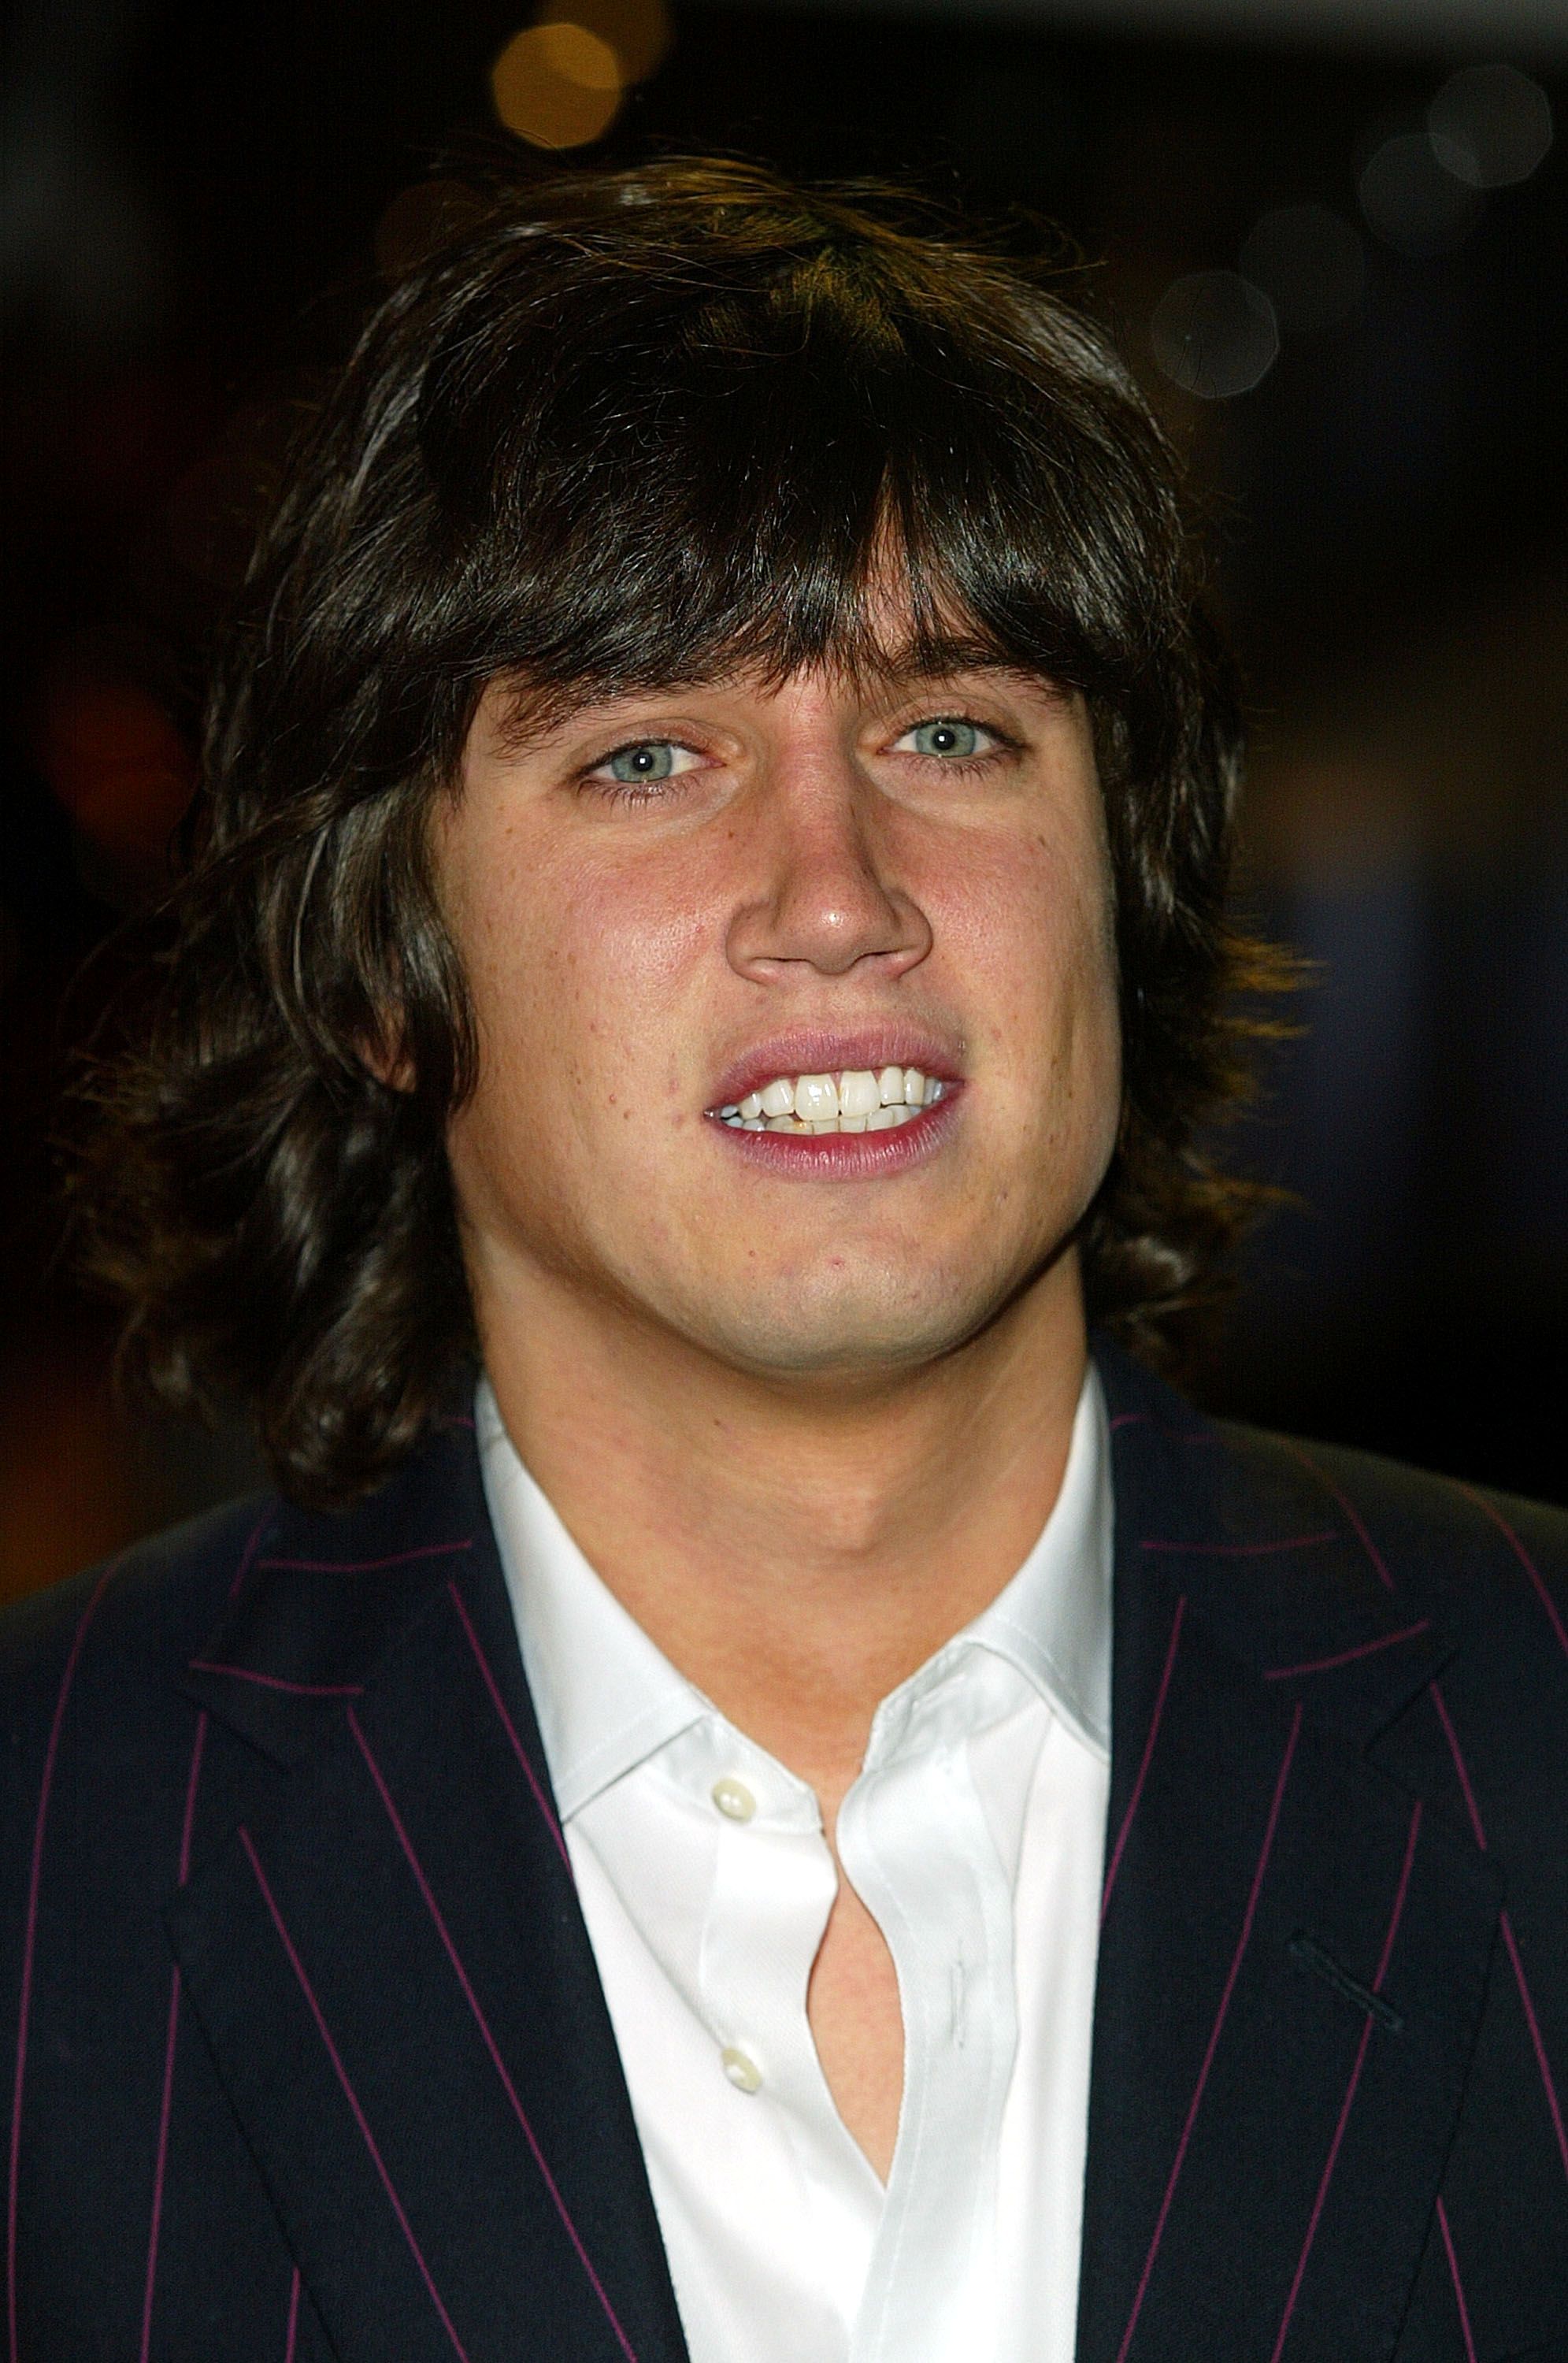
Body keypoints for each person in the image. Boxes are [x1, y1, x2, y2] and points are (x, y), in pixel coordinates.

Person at [4, 158, 1565, 2363]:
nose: (837, 894)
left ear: (1126, 882)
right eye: (648, 755)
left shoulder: (1538, 1740)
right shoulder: (45, 1855)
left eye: (953, 733)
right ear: (382, 958)